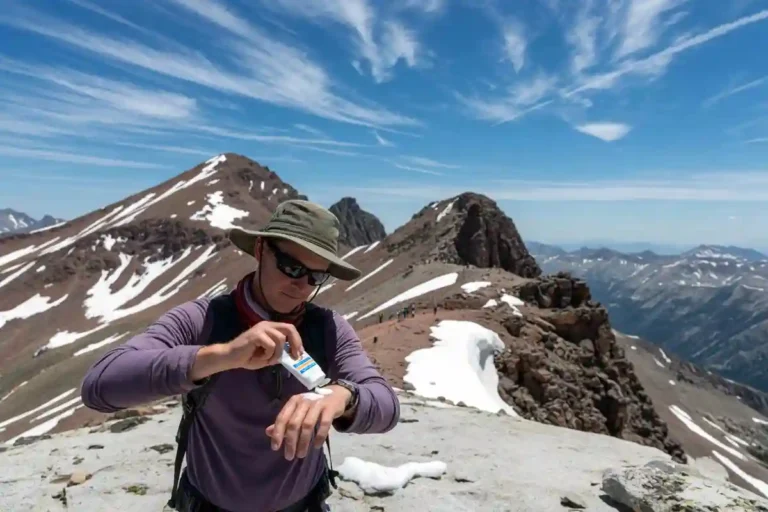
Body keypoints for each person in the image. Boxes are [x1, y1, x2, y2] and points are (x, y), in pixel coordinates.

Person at [80, 199, 400, 512]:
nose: (302, 286)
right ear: (260, 250)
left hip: (303, 504)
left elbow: (386, 405)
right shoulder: (203, 320)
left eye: (316, 277)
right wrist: (223, 355)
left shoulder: (329, 328)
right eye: (292, 267)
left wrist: (343, 395)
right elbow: (100, 386)